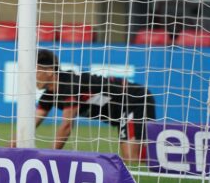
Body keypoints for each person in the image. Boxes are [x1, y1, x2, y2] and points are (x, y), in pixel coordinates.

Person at [14, 49, 156, 162]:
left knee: (132, 159)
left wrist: (47, 159)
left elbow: (66, 127)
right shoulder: (49, 94)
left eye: (36, 71)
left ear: (50, 71)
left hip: (135, 100)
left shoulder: (69, 85)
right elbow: (30, 124)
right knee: (132, 159)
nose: (32, 76)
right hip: (122, 111)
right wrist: (6, 153)